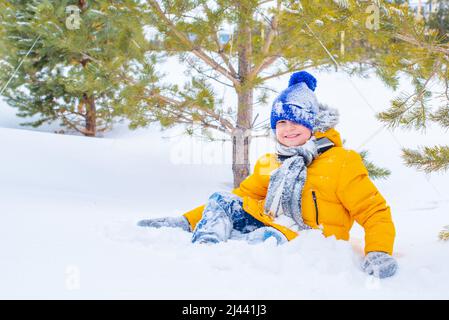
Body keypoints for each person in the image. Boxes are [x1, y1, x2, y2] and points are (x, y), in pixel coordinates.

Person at [138, 71, 398, 279]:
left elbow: (373, 211)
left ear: (312, 125)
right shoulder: (272, 162)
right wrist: (186, 220)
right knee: (221, 200)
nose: (288, 129)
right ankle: (204, 256)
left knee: (263, 240)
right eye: (281, 123)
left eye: (296, 120)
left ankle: (219, 265)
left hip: (308, 242)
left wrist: (378, 251)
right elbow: (240, 197)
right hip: (269, 226)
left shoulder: (341, 161)